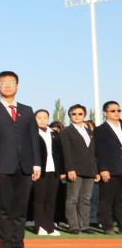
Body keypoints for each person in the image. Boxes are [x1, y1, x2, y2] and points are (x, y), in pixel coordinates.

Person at [0, 70, 40, 248]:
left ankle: (18, 243)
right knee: (4, 208)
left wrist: (36, 164)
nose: (7, 85)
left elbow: (33, 138)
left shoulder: (27, 110)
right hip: (1, 166)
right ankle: (6, 245)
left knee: (21, 209)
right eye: (3, 82)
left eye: (11, 82)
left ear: (17, 86)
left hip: (25, 166)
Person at [60, 104, 98, 234]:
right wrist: (70, 169)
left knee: (86, 199)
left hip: (90, 170)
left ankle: (85, 225)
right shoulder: (66, 131)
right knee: (72, 198)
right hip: (75, 170)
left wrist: (96, 171)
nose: (77, 116)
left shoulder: (90, 132)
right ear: (69, 116)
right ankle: (74, 226)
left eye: (80, 114)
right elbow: (66, 152)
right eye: (74, 114)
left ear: (84, 115)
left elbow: (93, 152)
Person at [33, 109, 64, 236]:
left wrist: (62, 170)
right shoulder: (32, 133)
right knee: (40, 199)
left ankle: (49, 226)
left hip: (54, 171)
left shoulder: (54, 133)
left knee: (51, 200)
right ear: (34, 119)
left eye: (45, 117)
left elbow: (60, 153)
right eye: (39, 117)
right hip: (39, 171)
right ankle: (39, 226)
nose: (42, 120)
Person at [95, 101, 122, 235]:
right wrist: (103, 169)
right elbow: (99, 151)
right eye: (113, 111)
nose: (116, 113)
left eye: (118, 110)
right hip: (109, 169)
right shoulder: (100, 130)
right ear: (105, 113)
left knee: (120, 200)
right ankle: (108, 226)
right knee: (107, 199)